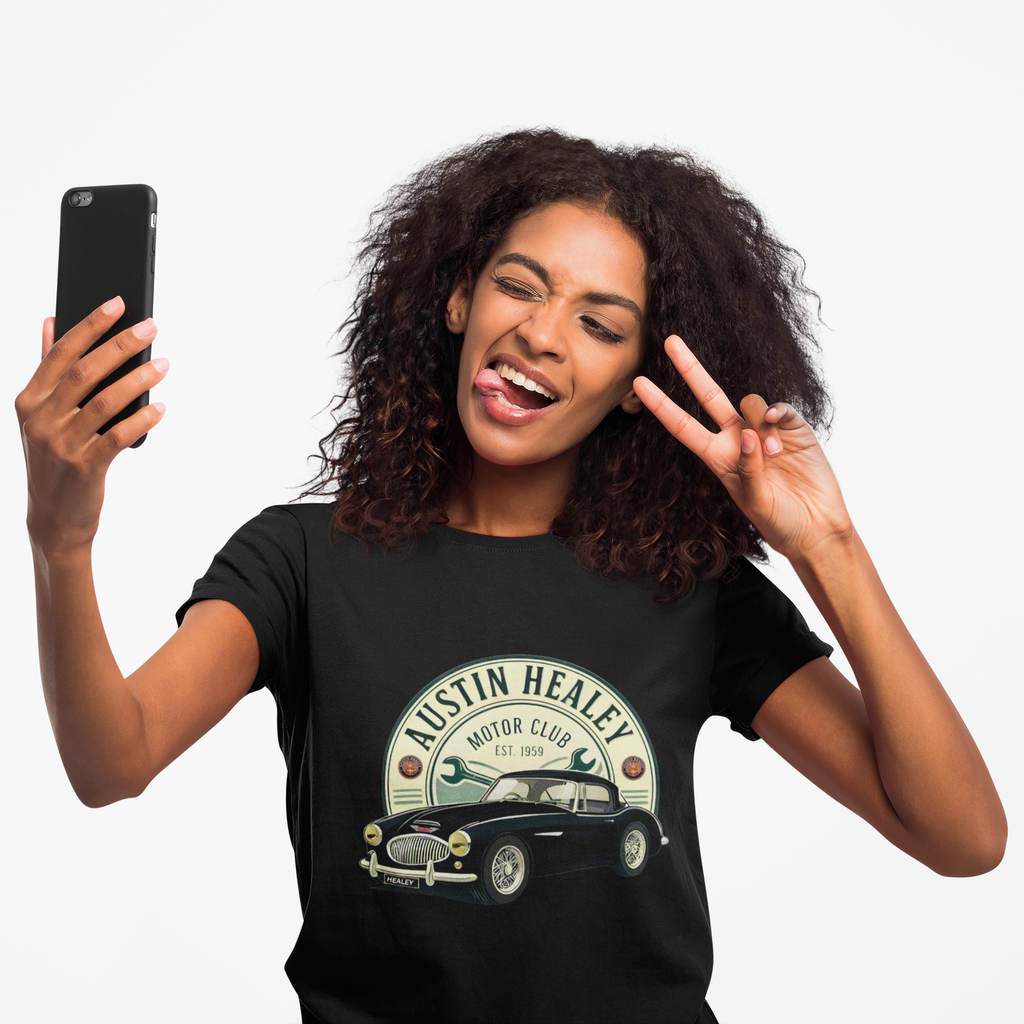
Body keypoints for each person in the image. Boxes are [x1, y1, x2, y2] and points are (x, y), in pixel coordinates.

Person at [16, 129, 1006, 1024]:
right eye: (521, 286)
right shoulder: (301, 560)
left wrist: (827, 547)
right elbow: (113, 762)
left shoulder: (691, 591)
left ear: (637, 386)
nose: (541, 334)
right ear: (460, 297)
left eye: (599, 324)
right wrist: (61, 538)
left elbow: (962, 837)